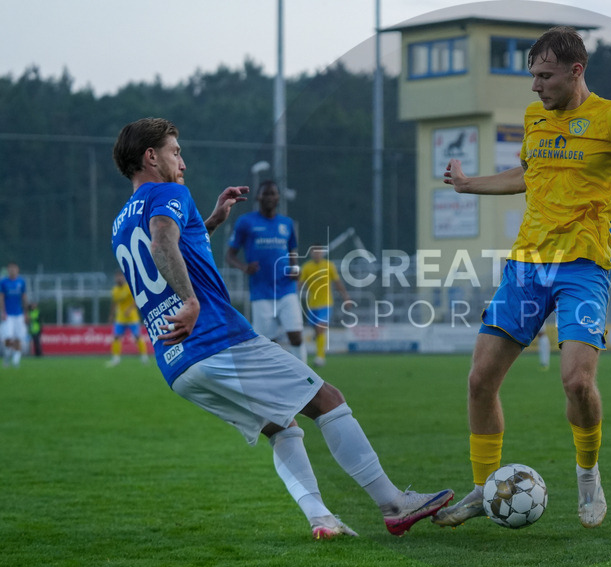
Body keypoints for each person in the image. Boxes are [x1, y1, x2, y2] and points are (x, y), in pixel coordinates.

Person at [434, 26, 611, 529]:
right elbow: (528, 175)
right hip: (526, 267)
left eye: (544, 76)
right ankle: (484, 490)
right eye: (532, 75)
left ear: (576, 71)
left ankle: (588, 476)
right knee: (480, 380)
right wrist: (468, 184)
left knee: (576, 382)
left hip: (582, 270)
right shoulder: (535, 116)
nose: (535, 86)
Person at [110, 117, 452, 539]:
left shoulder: (121, 220)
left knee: (282, 426)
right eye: (175, 151)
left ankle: (321, 519)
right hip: (217, 340)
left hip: (177, 365)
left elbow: (171, 245)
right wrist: (193, 301)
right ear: (151, 156)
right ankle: (393, 503)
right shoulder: (169, 193)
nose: (182, 161)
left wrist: (210, 221)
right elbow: (163, 241)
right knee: (328, 399)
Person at [226, 181, 307, 362]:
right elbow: (230, 255)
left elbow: (292, 252)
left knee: (296, 335)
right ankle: (272, 379)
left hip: (286, 289)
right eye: (266, 194)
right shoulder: (246, 222)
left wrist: (295, 270)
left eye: (273, 194)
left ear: (278, 198)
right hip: (261, 292)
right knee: (268, 342)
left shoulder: (287, 224)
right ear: (258, 197)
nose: (270, 197)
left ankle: (306, 377)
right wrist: (244, 267)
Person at [298, 247, 349, 367]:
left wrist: (346, 297)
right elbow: (299, 284)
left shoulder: (329, 265)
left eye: (319, 251)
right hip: (311, 305)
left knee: (320, 327)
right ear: (311, 253)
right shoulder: (306, 267)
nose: (317, 254)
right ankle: (318, 343)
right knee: (316, 330)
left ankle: (320, 357)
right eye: (314, 251)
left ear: (322, 253)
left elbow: (337, 282)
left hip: (326, 303)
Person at [107, 271, 149, 366]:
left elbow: (136, 300)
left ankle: (144, 357)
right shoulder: (115, 290)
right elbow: (114, 303)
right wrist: (111, 315)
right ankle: (116, 359)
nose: (118, 279)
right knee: (116, 337)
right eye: (117, 277)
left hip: (132, 317)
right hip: (120, 318)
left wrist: (129, 310)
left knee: (137, 336)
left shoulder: (129, 287)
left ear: (123, 278)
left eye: (120, 277)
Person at [0, 262, 29, 368]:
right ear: (8, 270)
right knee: (7, 338)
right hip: (8, 315)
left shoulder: (21, 282)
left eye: (14, 268)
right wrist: (3, 312)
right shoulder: (3, 282)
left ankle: (16, 361)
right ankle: (7, 356)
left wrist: (26, 313)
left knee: (18, 338)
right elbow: (1, 297)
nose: (12, 270)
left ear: (17, 270)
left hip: (19, 314)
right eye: (10, 269)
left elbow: (24, 297)